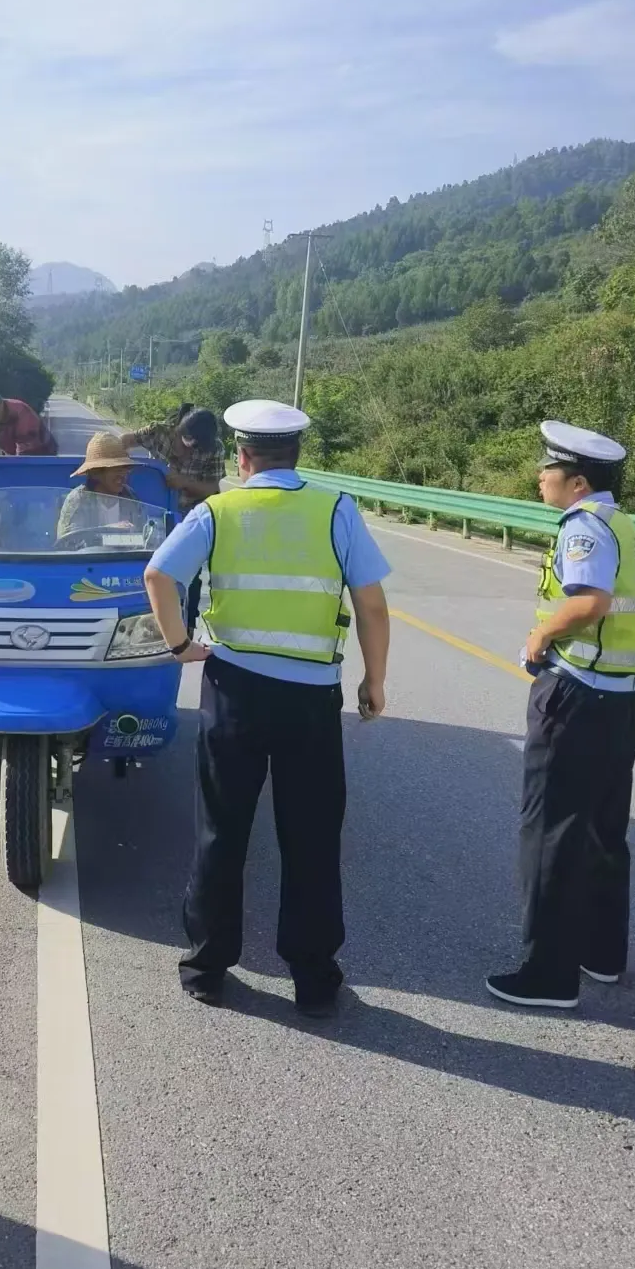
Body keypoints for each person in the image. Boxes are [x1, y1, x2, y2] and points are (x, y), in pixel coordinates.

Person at [143, 400, 392, 1014]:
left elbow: (158, 575)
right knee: (309, 835)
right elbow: (373, 606)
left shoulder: (217, 511)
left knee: (221, 828)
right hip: (311, 697)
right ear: (297, 454)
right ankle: (312, 978)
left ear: (242, 456)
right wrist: (374, 681)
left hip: (232, 690)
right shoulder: (336, 509)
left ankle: (206, 966)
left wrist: (179, 646)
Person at [486, 421, 635, 1010]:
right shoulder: (623, 524)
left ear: (577, 482)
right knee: (604, 829)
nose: (539, 475)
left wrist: (539, 636)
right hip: (618, 697)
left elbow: (588, 602)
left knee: (551, 831)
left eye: (548, 469)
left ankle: (547, 975)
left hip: (576, 693)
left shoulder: (584, 528)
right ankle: (602, 956)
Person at [120, 406, 223, 632]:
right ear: (179, 429)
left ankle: (186, 626)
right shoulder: (158, 433)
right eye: (188, 439)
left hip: (187, 519)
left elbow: (213, 488)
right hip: (150, 516)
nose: (191, 447)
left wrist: (184, 482)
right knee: (147, 570)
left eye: (197, 444)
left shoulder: (214, 449)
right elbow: (123, 441)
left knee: (189, 578)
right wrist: (123, 467)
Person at [57, 433, 140, 539]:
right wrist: (108, 530)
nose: (122, 475)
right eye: (116, 469)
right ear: (96, 473)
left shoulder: (130, 497)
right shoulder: (78, 500)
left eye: (125, 469)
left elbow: (142, 537)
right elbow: (68, 542)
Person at [0, 380, 58, 456]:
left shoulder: (21, 414)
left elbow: (24, 457)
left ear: (0, 403)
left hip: (45, 453)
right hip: (15, 454)